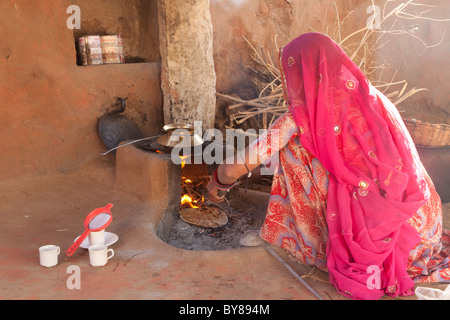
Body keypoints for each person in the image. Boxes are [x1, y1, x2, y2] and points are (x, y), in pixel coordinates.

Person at [207, 33, 449, 300]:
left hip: (382, 246)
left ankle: (312, 243)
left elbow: (232, 169)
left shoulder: (301, 118)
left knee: (292, 148)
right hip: (423, 232)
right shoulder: (372, 99)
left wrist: (217, 181)